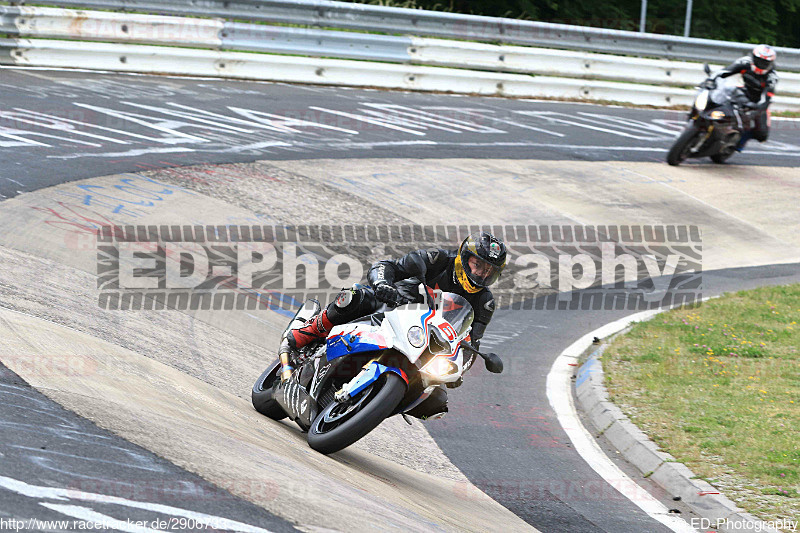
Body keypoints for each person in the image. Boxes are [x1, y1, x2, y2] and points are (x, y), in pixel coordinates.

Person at [284, 231, 508, 419]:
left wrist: (459, 371)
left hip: (423, 343)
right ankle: (308, 332)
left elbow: (471, 345)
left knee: (437, 400)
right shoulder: (437, 259)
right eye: (477, 265)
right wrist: (382, 284)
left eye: (489, 271)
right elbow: (387, 266)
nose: (481, 274)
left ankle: (372, 408)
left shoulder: (484, 303)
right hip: (391, 308)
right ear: (464, 257)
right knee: (356, 296)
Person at [712, 44, 778, 151]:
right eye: (758, 60)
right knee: (719, 99)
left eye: (764, 63)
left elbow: (767, 98)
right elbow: (725, 71)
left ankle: (739, 141)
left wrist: (758, 109)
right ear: (753, 57)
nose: (761, 64)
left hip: (758, 101)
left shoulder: (772, 77)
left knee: (762, 134)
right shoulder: (744, 62)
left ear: (770, 63)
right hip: (742, 92)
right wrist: (711, 80)